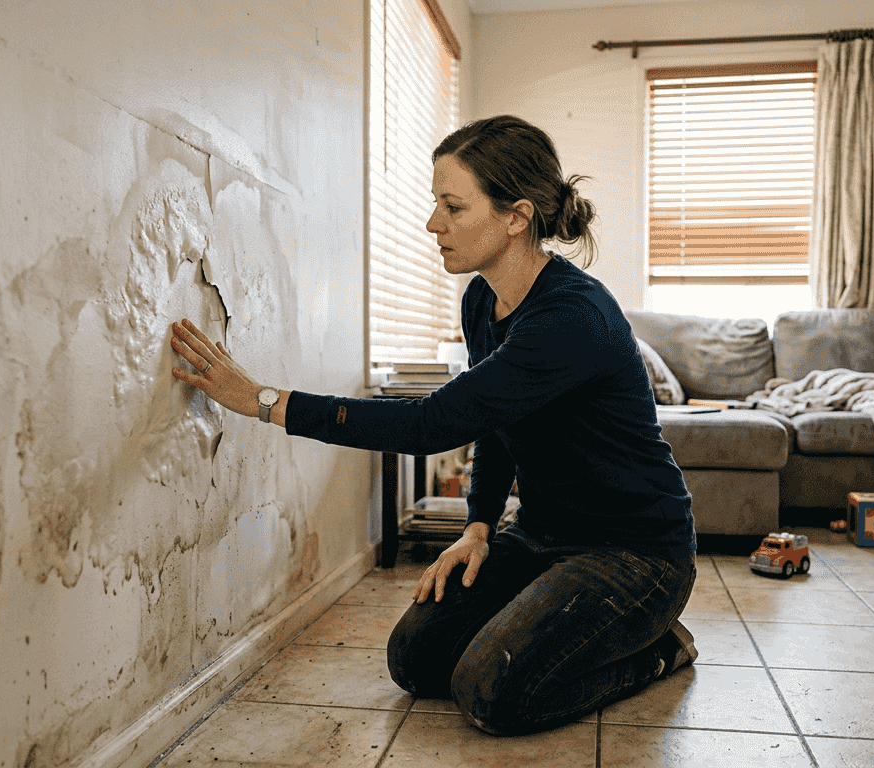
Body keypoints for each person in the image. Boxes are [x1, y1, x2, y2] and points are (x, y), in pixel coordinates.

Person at [169, 115, 697, 736]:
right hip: (540, 537)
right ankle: (571, 620)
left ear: (516, 216)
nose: (432, 223)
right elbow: (499, 425)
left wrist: (262, 399)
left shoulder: (572, 317)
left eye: (452, 206)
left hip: (635, 553)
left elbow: (430, 424)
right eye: (434, 203)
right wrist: (478, 525)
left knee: (492, 693)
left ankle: (657, 648)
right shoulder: (482, 300)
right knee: (415, 660)